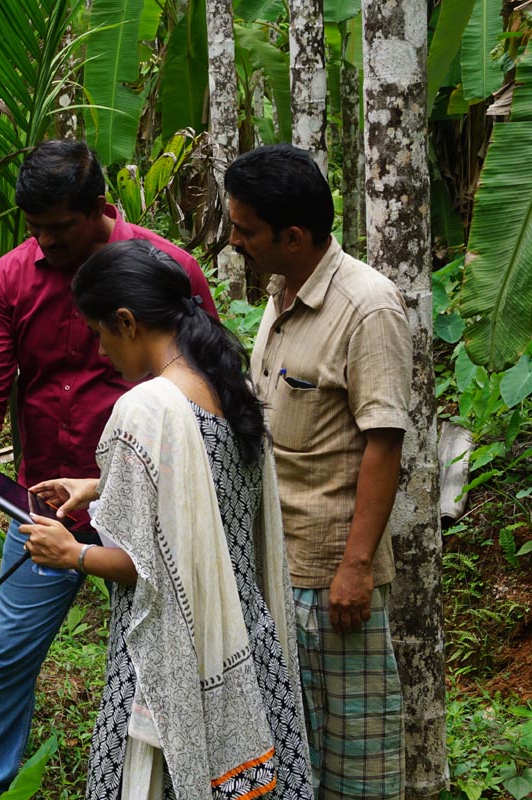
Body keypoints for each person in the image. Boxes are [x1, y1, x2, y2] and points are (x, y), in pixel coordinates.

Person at [0, 139, 216, 800]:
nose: (46, 242)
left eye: (60, 228)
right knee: (6, 655)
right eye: (35, 228)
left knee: (161, 655)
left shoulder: (168, 270)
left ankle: (176, 778)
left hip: (150, 497)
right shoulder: (12, 277)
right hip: (49, 500)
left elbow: (207, 386)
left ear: (99, 208)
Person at [23, 239, 312, 800]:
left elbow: (146, 567)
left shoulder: (145, 408)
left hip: (175, 646)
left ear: (126, 322)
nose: (103, 352)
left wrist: (71, 553)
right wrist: (102, 485)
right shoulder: (231, 387)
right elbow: (202, 495)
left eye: (101, 334)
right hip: (244, 635)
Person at [226, 144, 411, 800]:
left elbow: (384, 443)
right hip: (279, 565)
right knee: (293, 753)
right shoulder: (282, 294)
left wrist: (356, 568)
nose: (235, 240)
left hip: (333, 582)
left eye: (245, 229)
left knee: (355, 765)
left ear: (293, 236)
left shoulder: (368, 306)